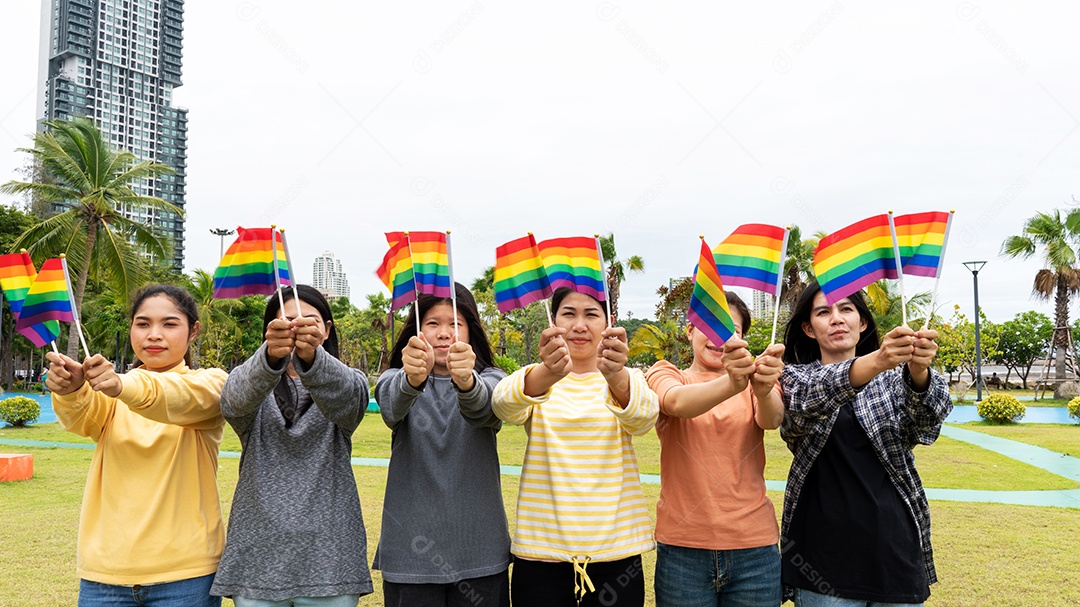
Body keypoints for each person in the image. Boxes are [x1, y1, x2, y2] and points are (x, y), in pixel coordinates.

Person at [45, 284, 227, 607]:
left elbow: (172, 396)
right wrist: (70, 390)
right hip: (105, 575)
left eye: (169, 324)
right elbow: (79, 418)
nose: (154, 334)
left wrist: (120, 384)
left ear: (193, 331)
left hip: (186, 573)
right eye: (143, 324)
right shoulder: (113, 397)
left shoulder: (211, 384)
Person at [778, 281, 953, 606]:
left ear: (862, 323)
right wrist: (879, 360)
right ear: (809, 328)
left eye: (846, 309)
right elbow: (804, 405)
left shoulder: (893, 379)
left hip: (895, 554)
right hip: (820, 561)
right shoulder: (793, 379)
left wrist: (918, 372)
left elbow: (929, 423)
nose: (836, 318)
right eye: (823, 312)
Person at [492, 287, 659, 607]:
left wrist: (616, 376)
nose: (580, 325)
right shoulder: (535, 378)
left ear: (608, 322)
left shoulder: (630, 378)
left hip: (616, 552)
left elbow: (643, 419)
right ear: (552, 320)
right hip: (541, 552)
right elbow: (503, 406)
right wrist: (548, 372)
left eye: (591, 314)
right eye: (569, 314)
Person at [211, 285, 374, 606]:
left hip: (331, 555)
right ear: (270, 331)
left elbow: (349, 402)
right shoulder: (250, 383)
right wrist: (270, 357)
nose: (298, 328)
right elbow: (233, 404)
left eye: (310, 321)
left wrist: (312, 359)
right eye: (286, 321)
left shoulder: (349, 381)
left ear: (327, 330)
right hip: (258, 551)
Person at [373, 282, 511, 607]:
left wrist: (466, 382)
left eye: (455, 324)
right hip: (409, 560)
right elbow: (392, 407)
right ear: (416, 331)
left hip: (481, 554)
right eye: (433, 323)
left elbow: (484, 409)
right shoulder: (394, 379)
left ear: (470, 331)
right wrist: (411, 379)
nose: (444, 333)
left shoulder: (495, 379)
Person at [645, 292, 785, 606]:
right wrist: (732, 383)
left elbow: (772, 418)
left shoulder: (758, 380)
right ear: (689, 330)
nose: (718, 338)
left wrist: (760, 389)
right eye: (709, 326)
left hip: (754, 551)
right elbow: (677, 403)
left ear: (743, 339)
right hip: (683, 551)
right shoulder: (666, 373)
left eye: (731, 330)